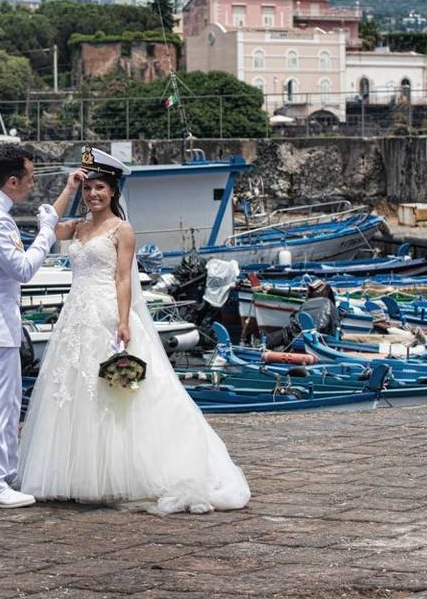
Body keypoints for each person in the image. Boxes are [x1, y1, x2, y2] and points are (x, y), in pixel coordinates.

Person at [17, 146, 251, 514]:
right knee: (71, 392)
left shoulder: (121, 229)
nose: (93, 195)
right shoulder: (76, 227)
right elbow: (46, 230)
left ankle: (119, 473)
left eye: (100, 188)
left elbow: (123, 278)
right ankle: (74, 473)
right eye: (88, 188)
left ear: (113, 192)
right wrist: (67, 187)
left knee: (113, 395)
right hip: (74, 317)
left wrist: (124, 321)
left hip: (106, 315)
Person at [0, 145, 85, 510]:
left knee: (2, 403)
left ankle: (2, 476)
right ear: (12, 181)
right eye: (30, 178)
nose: (32, 184)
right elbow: (23, 269)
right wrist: (45, 231)